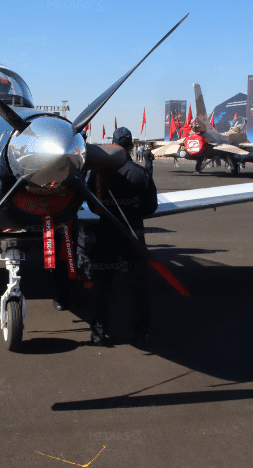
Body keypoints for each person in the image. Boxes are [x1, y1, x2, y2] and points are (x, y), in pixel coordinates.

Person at [85, 127, 158, 347]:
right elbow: (151, 207)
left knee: (102, 284)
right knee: (138, 286)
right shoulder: (141, 173)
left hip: (106, 235)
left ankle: (98, 332)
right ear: (131, 147)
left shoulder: (98, 174)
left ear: (113, 145)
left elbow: (92, 205)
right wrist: (132, 212)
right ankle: (141, 332)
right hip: (134, 236)